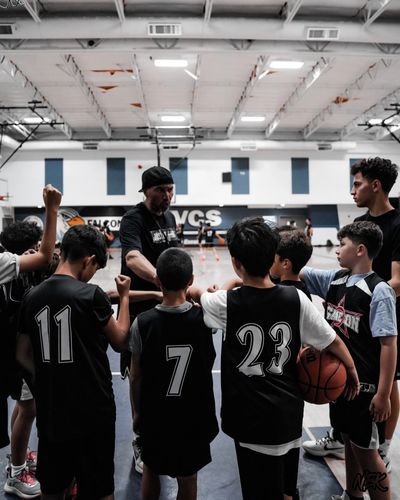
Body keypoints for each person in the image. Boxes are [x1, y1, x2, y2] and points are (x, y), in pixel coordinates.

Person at [188, 216, 359, 500]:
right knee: (287, 490)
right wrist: (351, 370)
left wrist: (217, 288)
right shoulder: (297, 299)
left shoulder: (225, 303)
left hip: (248, 418)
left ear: (236, 263)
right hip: (288, 415)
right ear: (273, 259)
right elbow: (333, 341)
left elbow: (196, 294)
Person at [16, 225, 131, 500]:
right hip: (94, 408)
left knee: (53, 488)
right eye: (95, 268)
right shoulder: (91, 295)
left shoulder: (32, 296)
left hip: (53, 408)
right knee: (100, 490)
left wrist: (45, 378)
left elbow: (22, 353)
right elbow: (120, 340)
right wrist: (125, 297)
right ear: (89, 260)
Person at [303, 157, 400, 470]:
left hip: (383, 311)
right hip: (355, 309)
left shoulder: (398, 225)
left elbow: (398, 282)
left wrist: (364, 296)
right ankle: (342, 434)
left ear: (376, 185)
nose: (352, 190)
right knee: (348, 378)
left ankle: (382, 445)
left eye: (357, 184)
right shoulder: (360, 224)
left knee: (386, 381)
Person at [300, 221, 397, 500]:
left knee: (368, 453)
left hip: (366, 389)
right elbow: (298, 269)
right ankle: (352, 495)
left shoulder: (379, 290)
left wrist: (383, 394)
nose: (337, 249)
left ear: (361, 250)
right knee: (349, 443)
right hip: (341, 385)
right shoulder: (335, 279)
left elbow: (389, 344)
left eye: (342, 244)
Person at [129, 248, 218, 500]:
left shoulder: (142, 323)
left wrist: (137, 413)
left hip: (156, 415)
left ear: (157, 280)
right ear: (191, 281)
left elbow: (135, 376)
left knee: (151, 469)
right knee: (188, 479)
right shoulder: (205, 319)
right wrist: (203, 295)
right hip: (194, 416)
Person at [0, 185, 61, 497]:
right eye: (34, 247)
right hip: (16, 352)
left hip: (18, 349)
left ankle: (18, 455)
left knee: (24, 406)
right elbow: (45, 256)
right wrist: (51, 209)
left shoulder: (17, 272)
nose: (40, 249)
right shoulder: (11, 270)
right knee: (29, 408)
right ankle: (16, 473)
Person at [119, 165, 179, 473]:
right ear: (146, 191)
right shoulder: (133, 219)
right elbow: (132, 257)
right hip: (142, 307)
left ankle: (161, 426)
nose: (167, 195)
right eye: (161, 190)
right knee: (138, 373)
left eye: (170, 189)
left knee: (166, 370)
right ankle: (140, 436)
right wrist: (160, 279)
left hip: (168, 304)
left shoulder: (170, 218)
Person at [270, 229, 313, 300]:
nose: (269, 261)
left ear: (285, 263)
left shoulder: (277, 294)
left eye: (272, 258)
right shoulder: (304, 291)